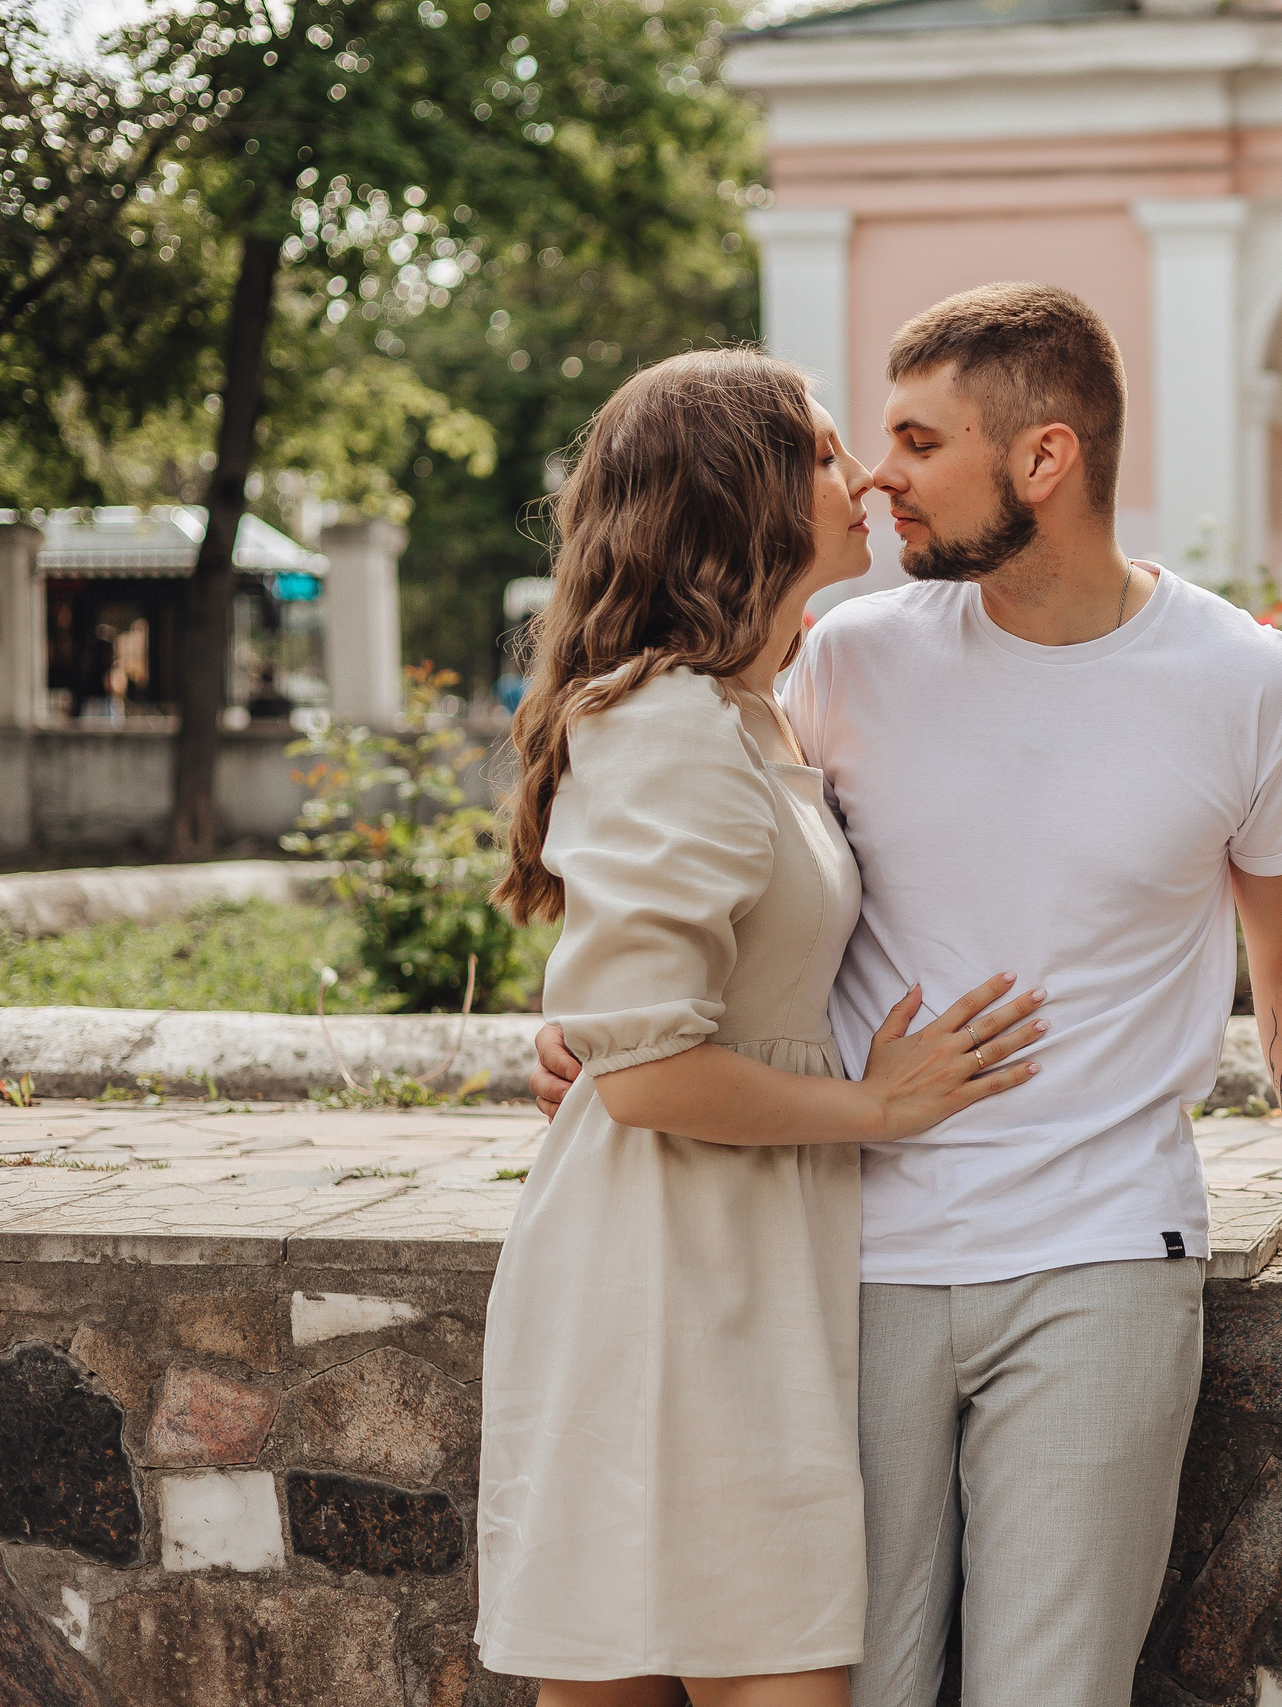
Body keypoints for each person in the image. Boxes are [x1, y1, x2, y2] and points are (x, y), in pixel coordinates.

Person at [530, 284, 1282, 1707]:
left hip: (1101, 1255)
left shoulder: (1252, 688)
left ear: (1044, 459)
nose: (879, 473)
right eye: (862, 444)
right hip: (852, 1255)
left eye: (915, 438)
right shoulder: (840, 659)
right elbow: (715, 876)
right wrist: (600, 1034)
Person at [479, 347, 1047, 1707]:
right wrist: (881, 1105)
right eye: (823, 453)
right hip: (666, 1278)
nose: (858, 479)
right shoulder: (671, 724)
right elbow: (648, 1074)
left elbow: (644, 1013)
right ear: (740, 492)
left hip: (751, 1263)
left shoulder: (750, 713)